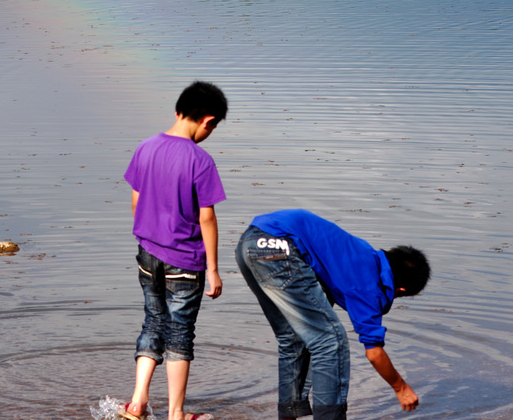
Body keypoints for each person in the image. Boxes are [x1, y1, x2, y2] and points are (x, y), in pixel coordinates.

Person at [235, 209, 430, 420]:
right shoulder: (370, 284)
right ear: (401, 290)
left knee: (293, 338)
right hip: (280, 248)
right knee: (331, 340)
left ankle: (288, 416)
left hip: (249, 242)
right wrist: (401, 387)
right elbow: (374, 353)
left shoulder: (363, 253)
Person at [120, 81, 228, 420]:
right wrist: (212, 269)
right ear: (208, 121)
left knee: (153, 322)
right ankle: (177, 414)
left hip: (147, 254)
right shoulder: (200, 160)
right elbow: (206, 217)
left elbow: (136, 200)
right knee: (180, 334)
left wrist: (152, 236)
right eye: (212, 127)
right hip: (185, 260)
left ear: (178, 110)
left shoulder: (145, 147)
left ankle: (137, 403)